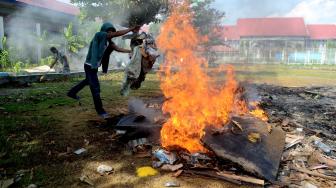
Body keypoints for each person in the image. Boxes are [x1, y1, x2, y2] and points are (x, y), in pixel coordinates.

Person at [67, 22, 139, 119]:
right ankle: (100, 111)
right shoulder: (99, 35)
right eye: (109, 31)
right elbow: (116, 34)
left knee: (88, 81)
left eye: (112, 32)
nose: (111, 33)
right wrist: (131, 29)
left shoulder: (108, 42)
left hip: (94, 68)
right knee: (95, 88)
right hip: (89, 66)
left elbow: (118, 48)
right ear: (105, 31)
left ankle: (71, 93)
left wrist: (131, 51)